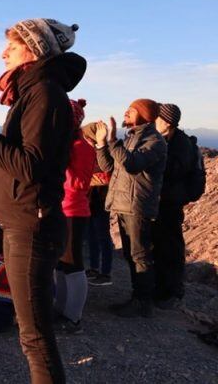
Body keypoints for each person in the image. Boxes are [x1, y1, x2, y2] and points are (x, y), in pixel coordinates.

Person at [0, 18, 85, 383]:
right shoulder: (33, 93)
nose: (3, 54)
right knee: (32, 330)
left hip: (31, 225)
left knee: (34, 335)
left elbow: (29, 166)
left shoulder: (44, 94)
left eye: (11, 48)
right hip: (24, 221)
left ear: (32, 51)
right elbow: (11, 162)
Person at [95, 98, 167, 318]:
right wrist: (101, 144)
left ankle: (143, 302)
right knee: (131, 253)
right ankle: (138, 298)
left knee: (139, 254)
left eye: (131, 110)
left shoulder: (154, 141)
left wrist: (113, 139)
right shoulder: (132, 138)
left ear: (144, 115)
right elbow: (108, 166)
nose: (126, 113)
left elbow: (132, 164)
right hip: (124, 204)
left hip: (138, 206)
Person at [152, 103, 201, 309]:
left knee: (170, 246)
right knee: (160, 245)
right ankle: (161, 288)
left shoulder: (180, 144)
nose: (153, 121)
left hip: (170, 203)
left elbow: (172, 171)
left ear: (167, 122)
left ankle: (172, 291)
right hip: (163, 202)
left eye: (157, 118)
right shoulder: (170, 140)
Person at [53, 99, 95, 333]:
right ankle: (60, 308)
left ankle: (74, 317)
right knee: (60, 261)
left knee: (72, 263)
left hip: (73, 211)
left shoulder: (81, 148)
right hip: (61, 209)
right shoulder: (68, 145)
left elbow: (79, 184)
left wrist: (62, 165)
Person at [81, 123, 114, 287]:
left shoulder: (103, 154)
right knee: (92, 234)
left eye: (86, 137)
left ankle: (106, 272)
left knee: (102, 235)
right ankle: (94, 268)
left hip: (100, 199)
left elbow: (106, 176)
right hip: (91, 199)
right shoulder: (91, 153)